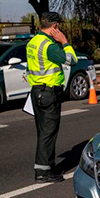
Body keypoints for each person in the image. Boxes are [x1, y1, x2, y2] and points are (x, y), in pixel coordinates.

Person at [27, 12, 77, 183]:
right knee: (48, 132)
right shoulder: (49, 46)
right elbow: (71, 60)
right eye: (59, 26)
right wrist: (65, 41)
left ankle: (48, 165)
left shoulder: (33, 42)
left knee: (43, 131)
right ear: (55, 26)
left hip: (37, 92)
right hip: (49, 93)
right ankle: (42, 172)